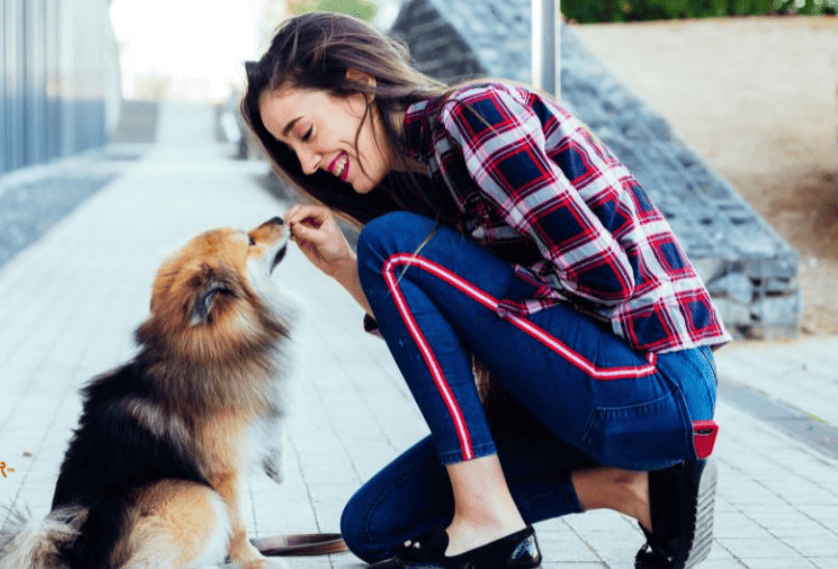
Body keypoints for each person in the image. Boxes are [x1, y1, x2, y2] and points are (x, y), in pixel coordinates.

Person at [241, 11, 730, 569]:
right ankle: (635, 491)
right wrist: (346, 269)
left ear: (358, 83)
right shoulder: (428, 178)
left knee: (392, 243)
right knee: (375, 527)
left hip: (654, 385)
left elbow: (605, 278)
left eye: (304, 134)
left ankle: (490, 519)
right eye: (293, 152)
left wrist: (481, 308)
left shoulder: (474, 116)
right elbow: (446, 341)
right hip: (586, 393)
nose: (308, 164)